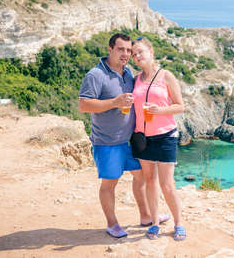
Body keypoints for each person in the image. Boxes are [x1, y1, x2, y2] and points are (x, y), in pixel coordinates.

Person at [79, 33, 169, 238]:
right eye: (121, 49)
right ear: (110, 49)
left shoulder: (128, 72)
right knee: (110, 183)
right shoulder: (96, 75)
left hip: (132, 140)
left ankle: (146, 216)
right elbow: (84, 105)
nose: (126, 54)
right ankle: (112, 224)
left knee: (141, 177)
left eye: (129, 50)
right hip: (108, 142)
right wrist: (114, 103)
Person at [131, 37, 186, 241]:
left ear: (151, 52)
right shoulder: (135, 79)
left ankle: (179, 223)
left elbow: (180, 106)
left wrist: (160, 110)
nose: (137, 56)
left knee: (167, 184)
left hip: (165, 136)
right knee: (150, 182)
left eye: (140, 52)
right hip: (143, 138)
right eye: (134, 54)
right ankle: (154, 223)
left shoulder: (166, 76)